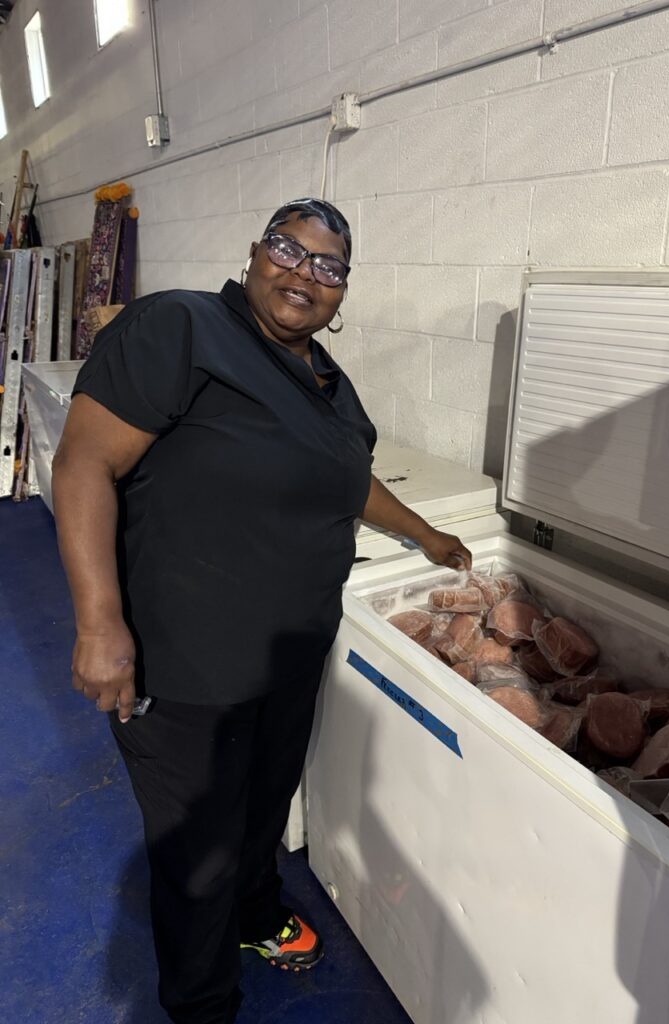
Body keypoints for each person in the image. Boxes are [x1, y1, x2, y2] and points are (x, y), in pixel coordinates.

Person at [52, 197, 472, 1024]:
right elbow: (82, 468)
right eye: (288, 248)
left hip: (286, 654)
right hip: (185, 666)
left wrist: (426, 535)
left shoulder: (328, 385)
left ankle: (254, 914)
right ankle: (203, 1002)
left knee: (263, 807)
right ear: (254, 252)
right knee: (197, 849)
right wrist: (101, 625)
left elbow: (348, 480)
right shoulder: (180, 330)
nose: (304, 272)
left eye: (329, 265)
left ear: (343, 291)